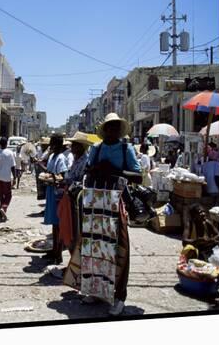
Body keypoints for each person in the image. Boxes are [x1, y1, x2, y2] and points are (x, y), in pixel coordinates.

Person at [85, 113, 141, 316]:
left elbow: (139, 175)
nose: (113, 130)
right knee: (96, 248)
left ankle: (119, 297)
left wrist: (115, 171)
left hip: (117, 205)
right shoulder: (96, 148)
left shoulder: (127, 149)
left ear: (119, 130)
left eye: (116, 127)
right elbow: (88, 171)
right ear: (105, 130)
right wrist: (96, 169)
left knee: (120, 251)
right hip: (97, 204)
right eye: (110, 127)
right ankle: (96, 290)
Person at [41, 133, 69, 265]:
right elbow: (49, 171)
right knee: (53, 223)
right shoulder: (52, 156)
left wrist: (51, 178)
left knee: (58, 225)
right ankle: (54, 250)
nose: (52, 147)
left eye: (54, 144)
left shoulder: (61, 158)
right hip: (50, 192)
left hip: (57, 193)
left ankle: (58, 254)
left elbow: (61, 176)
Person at [0, 137, 17, 222]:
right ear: (6, 144)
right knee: (8, 195)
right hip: (6, 178)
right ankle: (4, 207)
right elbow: (13, 166)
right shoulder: (10, 153)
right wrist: (15, 177)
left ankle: (0, 211)